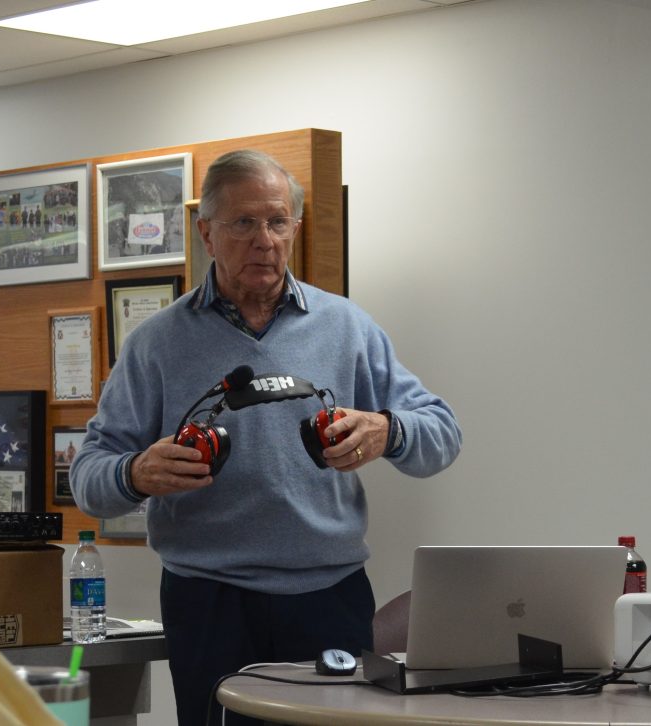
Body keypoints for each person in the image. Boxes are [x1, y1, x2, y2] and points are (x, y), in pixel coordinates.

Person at [70, 149, 462, 725]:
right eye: (244, 223)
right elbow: (88, 478)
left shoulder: (348, 327)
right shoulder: (156, 344)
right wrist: (134, 473)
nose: (265, 240)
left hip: (329, 597)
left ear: (296, 229)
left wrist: (390, 429)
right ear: (207, 231)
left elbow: (443, 434)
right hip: (208, 601)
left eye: (278, 222)